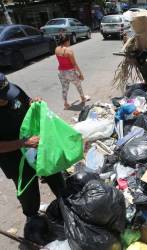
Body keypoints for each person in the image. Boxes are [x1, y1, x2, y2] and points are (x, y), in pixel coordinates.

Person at [0, 73, 65, 242]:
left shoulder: (13, 92)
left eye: (7, 94)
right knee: (28, 191)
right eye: (2, 98)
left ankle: (65, 203)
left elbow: (27, 103)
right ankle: (32, 217)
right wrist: (23, 143)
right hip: (14, 159)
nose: (7, 99)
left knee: (54, 174)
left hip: (35, 147)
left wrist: (34, 103)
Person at [55, 34, 90, 110]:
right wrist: (81, 74)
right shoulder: (69, 50)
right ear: (67, 41)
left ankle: (66, 104)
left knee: (64, 88)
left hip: (61, 72)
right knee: (78, 85)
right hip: (70, 72)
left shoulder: (57, 49)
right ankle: (83, 98)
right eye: (69, 40)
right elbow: (74, 64)